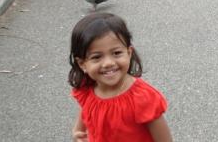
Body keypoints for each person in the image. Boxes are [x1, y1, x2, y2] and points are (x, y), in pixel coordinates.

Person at [69, 13, 172, 142]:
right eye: (96, 57)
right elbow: (87, 111)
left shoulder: (143, 98)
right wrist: (77, 132)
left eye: (116, 53)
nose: (108, 63)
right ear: (82, 64)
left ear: (129, 53)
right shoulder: (87, 89)